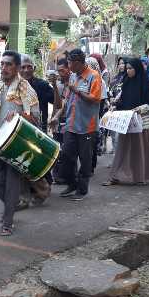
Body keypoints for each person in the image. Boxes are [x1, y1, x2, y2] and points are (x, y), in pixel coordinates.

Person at [0, 50, 40, 236]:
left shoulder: (25, 88)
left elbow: (36, 117)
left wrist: (20, 114)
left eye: (8, 64)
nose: (4, 68)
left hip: (18, 142)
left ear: (18, 68)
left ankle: (8, 221)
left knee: (12, 181)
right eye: (2, 64)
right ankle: (13, 204)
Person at [103, 57, 149, 186]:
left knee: (139, 150)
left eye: (130, 68)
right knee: (122, 149)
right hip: (127, 121)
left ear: (137, 69)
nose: (127, 71)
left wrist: (140, 109)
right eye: (127, 68)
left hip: (140, 122)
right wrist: (115, 106)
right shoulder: (127, 82)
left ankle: (139, 177)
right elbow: (123, 100)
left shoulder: (144, 83)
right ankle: (115, 176)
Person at [58, 49, 102, 201]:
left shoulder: (94, 76)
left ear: (77, 63)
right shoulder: (72, 77)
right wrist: (58, 116)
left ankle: (82, 190)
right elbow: (67, 100)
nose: (68, 66)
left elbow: (95, 99)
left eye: (70, 63)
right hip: (71, 125)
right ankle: (72, 183)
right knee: (66, 156)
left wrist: (77, 91)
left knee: (85, 160)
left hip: (87, 127)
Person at [18, 55, 52, 204]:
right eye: (23, 67)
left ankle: (43, 189)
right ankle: (25, 193)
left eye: (29, 66)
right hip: (19, 131)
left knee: (37, 162)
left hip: (38, 130)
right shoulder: (14, 86)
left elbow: (57, 102)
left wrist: (56, 85)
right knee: (22, 162)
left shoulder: (42, 85)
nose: (26, 70)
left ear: (34, 68)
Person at [48, 58, 71, 184]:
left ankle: (67, 177)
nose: (60, 73)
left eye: (62, 70)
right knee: (57, 148)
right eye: (58, 71)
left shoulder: (74, 82)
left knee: (68, 150)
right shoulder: (60, 84)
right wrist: (55, 86)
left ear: (69, 69)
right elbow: (57, 104)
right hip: (58, 120)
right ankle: (57, 175)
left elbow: (66, 105)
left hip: (70, 120)